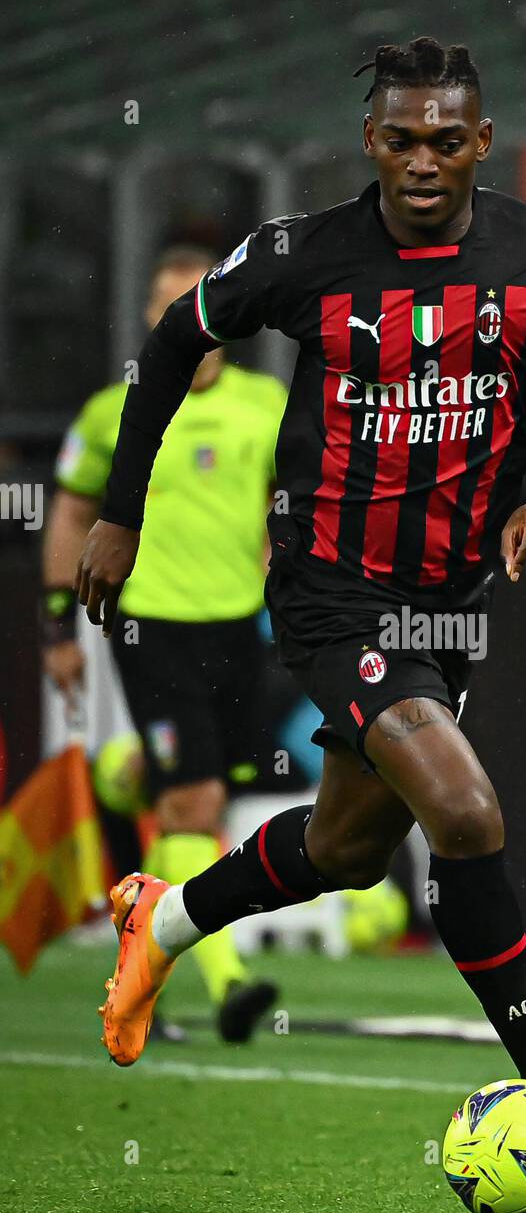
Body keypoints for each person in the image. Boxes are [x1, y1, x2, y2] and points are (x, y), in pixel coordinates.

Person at [77, 37, 526, 1190]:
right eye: (400, 138)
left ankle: (163, 920)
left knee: (352, 848)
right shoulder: (305, 258)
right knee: (461, 809)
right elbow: (170, 345)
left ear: (481, 143)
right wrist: (121, 515)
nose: (421, 160)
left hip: (449, 601)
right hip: (329, 591)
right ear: (370, 141)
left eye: (445, 140)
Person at [44, 244, 286, 1043]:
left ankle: (122, 777)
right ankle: (228, 985)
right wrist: (58, 622)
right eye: (163, 301)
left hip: (241, 629)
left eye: (195, 299)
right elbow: (73, 513)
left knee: (201, 781)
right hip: (153, 625)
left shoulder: (267, 405)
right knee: (199, 801)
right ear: (150, 317)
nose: (180, 315)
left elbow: (294, 505)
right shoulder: (115, 407)